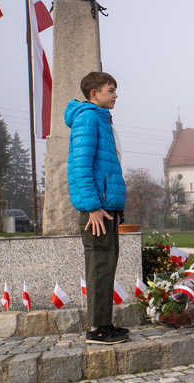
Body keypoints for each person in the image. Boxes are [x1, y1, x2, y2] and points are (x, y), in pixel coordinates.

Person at [66, 71, 127, 344]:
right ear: (94, 94)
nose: (115, 95)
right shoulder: (89, 118)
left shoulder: (101, 118)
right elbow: (80, 167)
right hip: (97, 211)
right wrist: (92, 206)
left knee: (106, 265)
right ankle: (95, 329)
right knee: (99, 266)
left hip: (107, 208)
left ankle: (104, 323)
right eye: (110, 90)